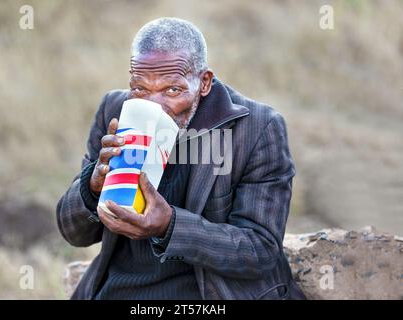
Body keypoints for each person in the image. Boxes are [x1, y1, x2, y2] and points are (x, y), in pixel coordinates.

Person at [56, 17, 306, 300]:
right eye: (140, 88)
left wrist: (170, 226)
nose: (155, 107)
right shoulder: (115, 110)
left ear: (204, 82)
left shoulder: (257, 128)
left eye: (172, 90)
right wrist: (92, 186)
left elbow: (259, 251)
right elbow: (74, 233)